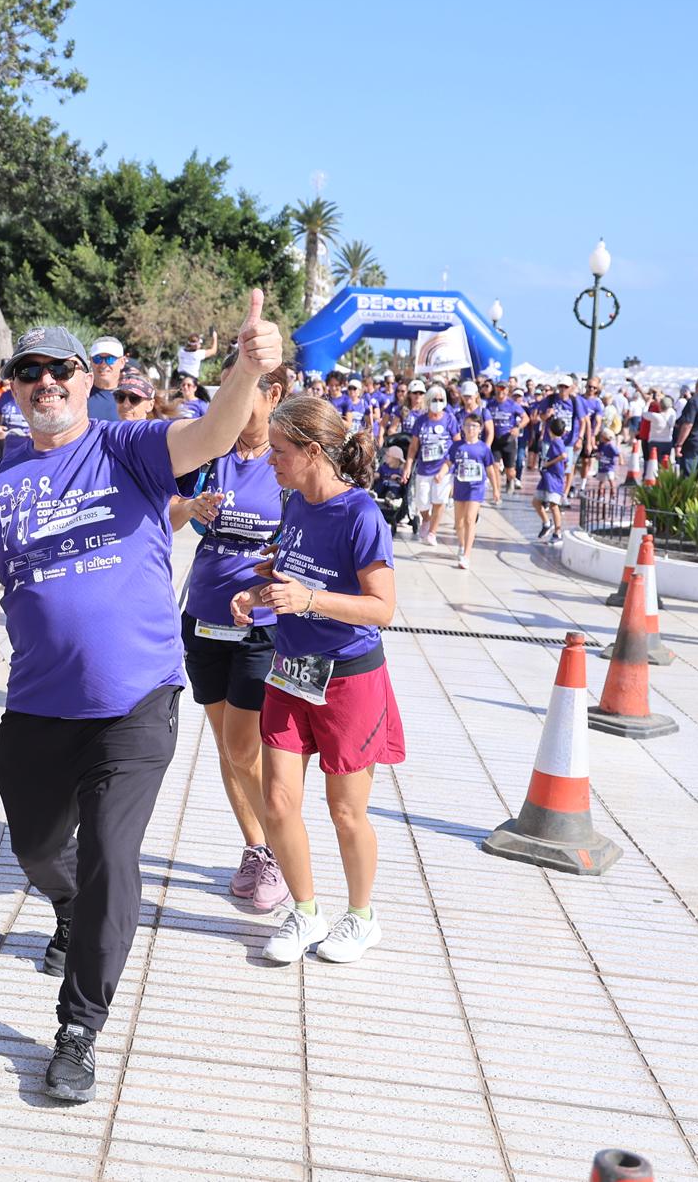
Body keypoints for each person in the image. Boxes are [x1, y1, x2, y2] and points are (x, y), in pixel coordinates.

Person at [0, 292, 284, 1103]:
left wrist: (246, 370)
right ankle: (68, 905)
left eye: (61, 369)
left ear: (88, 381)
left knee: (113, 856)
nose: (45, 381)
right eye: (29, 371)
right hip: (39, 705)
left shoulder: (128, 446)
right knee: (39, 848)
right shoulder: (0, 478)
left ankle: (78, 1026)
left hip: (136, 700)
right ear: (13, 388)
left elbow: (211, 434)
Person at [229, 394, 403, 967]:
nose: (269, 460)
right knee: (278, 800)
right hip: (289, 671)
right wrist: (259, 595)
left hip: (348, 678)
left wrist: (308, 600)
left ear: (311, 451)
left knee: (345, 811)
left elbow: (381, 609)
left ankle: (362, 918)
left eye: (279, 451)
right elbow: (295, 579)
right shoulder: (295, 503)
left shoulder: (361, 514)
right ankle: (305, 912)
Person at [171, 356, 290, 912]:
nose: (234, 404)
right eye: (228, 392)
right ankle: (257, 848)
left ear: (274, 395)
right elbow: (168, 513)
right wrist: (190, 506)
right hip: (203, 613)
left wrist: (267, 582)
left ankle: (285, 852)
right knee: (228, 746)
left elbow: (307, 541)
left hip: (261, 623)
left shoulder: (286, 459)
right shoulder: (211, 451)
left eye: (246, 392)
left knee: (245, 746)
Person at [401, 385, 460, 548]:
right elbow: (413, 447)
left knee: (439, 501)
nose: (438, 402)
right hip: (424, 468)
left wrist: (449, 465)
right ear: (428, 401)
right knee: (422, 502)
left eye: (441, 400)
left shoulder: (450, 419)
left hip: (444, 468)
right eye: (434, 399)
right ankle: (426, 519)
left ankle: (432, 532)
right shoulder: (421, 421)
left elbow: (457, 443)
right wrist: (408, 466)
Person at [450, 413, 491, 568]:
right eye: (467, 425)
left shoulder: (483, 448)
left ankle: (467, 555)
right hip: (460, 487)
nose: (470, 429)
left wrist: (496, 490)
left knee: (469, 519)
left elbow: (490, 468)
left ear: (480, 429)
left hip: (476, 488)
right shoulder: (457, 446)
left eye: (474, 426)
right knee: (458, 522)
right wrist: (441, 474)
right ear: (463, 428)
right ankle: (461, 544)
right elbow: (449, 462)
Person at [484, 381, 526, 504]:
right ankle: (496, 493)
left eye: (503, 389)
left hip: (508, 440)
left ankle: (510, 479)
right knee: (495, 466)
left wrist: (518, 428)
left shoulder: (512, 404)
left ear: (507, 391)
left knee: (510, 471)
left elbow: (526, 418)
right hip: (495, 439)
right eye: (498, 389)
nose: (500, 392)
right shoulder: (490, 404)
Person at [533, 414, 572, 541]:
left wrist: (548, 464)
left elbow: (564, 456)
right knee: (536, 501)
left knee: (554, 505)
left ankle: (557, 533)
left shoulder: (557, 442)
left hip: (554, 478)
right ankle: (546, 523)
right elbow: (565, 461)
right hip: (547, 476)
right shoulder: (555, 442)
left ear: (550, 430)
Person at [87, 337, 125, 422]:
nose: (103, 364)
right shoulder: (80, 395)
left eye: (110, 359)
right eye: (97, 359)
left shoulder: (132, 398)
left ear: (122, 362)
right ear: (90, 361)